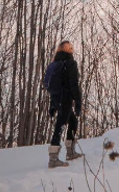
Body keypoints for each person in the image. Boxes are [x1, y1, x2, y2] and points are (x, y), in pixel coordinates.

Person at [44, 40, 84, 169]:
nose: (73, 49)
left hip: (57, 98)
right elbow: (73, 84)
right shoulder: (70, 63)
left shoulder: (55, 63)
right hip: (66, 98)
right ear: (69, 49)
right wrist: (77, 102)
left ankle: (70, 152)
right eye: (71, 47)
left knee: (73, 122)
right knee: (60, 126)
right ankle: (53, 159)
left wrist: (53, 104)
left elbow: (55, 86)